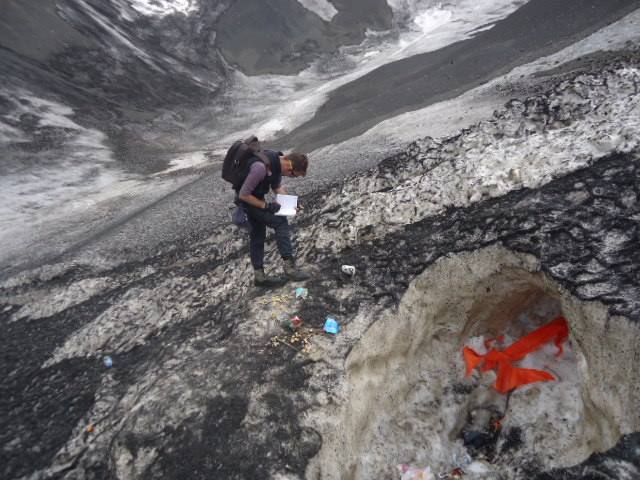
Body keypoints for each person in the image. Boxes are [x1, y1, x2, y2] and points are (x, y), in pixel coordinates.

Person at [236, 137, 311, 287]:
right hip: (248, 201)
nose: (290, 177)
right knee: (280, 222)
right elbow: (243, 194)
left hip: (255, 198)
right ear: (289, 167)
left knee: (258, 236)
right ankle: (290, 269)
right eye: (293, 175)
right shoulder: (260, 167)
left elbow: (276, 187)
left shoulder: (276, 162)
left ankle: (260, 278)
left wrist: (292, 202)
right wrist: (266, 206)